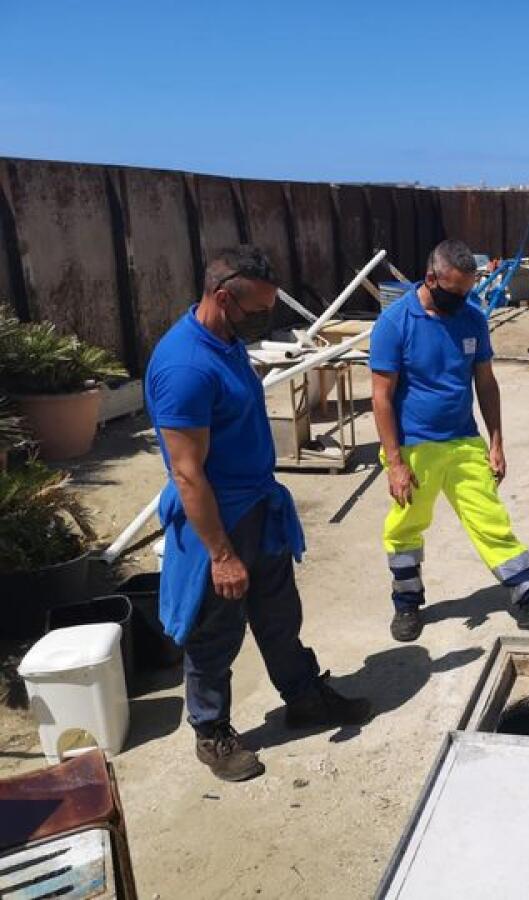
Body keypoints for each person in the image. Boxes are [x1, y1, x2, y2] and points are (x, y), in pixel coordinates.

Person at [145, 246, 372, 783]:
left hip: (258, 510)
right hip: (216, 523)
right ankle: (211, 731)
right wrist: (221, 555)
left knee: (278, 616)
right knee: (215, 633)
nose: (264, 320)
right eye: (256, 311)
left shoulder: (224, 342)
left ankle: (304, 697)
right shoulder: (184, 367)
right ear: (223, 298)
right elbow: (188, 473)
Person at [370, 239, 529, 642]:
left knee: (492, 523)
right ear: (431, 278)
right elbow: (381, 397)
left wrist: (497, 442)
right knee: (405, 527)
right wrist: (396, 463)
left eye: (467, 292)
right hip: (414, 447)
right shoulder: (395, 323)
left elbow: (485, 384)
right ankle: (407, 604)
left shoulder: (471, 318)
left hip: (464, 443)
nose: (461, 300)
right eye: (453, 292)